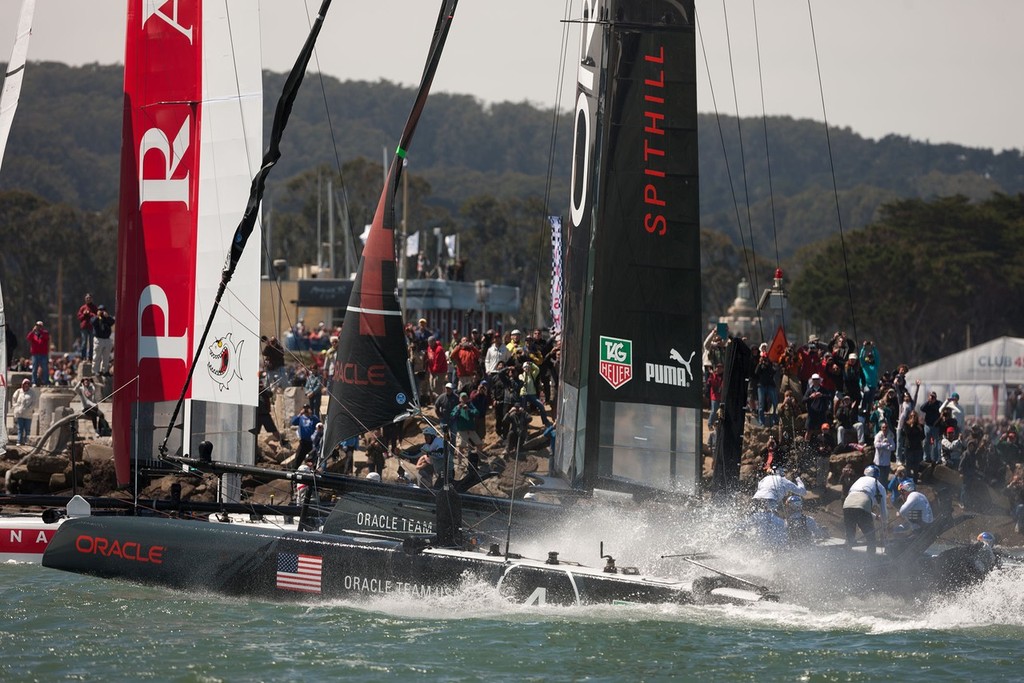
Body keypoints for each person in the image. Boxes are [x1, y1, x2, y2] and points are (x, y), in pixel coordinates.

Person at [842, 465, 888, 554]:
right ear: (878, 475)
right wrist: (885, 524)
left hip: (847, 505)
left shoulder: (858, 481)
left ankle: (846, 559)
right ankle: (871, 560)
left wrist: (874, 516)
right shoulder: (879, 485)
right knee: (871, 539)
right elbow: (883, 511)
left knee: (850, 537)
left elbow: (856, 506)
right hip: (862, 505)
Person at [290, 404, 320, 470]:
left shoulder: (313, 418)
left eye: (307, 408)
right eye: (305, 408)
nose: (306, 410)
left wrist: (311, 414)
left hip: (311, 443)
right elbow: (293, 422)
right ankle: (293, 472)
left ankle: (313, 473)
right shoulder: (301, 418)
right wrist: (300, 414)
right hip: (303, 442)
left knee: (312, 460)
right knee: (298, 459)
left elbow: (319, 423)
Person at [91, 305, 115, 376]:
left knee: (106, 356)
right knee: (97, 356)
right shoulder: (95, 318)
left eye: (103, 310)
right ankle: (95, 370)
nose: (102, 311)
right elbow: (93, 322)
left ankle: (104, 371)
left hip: (107, 339)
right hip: (98, 339)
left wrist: (107, 316)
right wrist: (98, 316)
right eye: (100, 310)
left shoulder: (107, 318)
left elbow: (112, 322)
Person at [11, 379, 36, 445]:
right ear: (23, 385)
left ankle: (27, 441)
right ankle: (19, 441)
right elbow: (14, 399)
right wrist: (16, 406)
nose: (26, 385)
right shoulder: (18, 391)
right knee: (20, 428)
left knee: (27, 429)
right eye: (25, 384)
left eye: (28, 384)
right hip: (19, 413)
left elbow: (34, 403)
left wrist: (29, 409)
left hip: (28, 414)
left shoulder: (32, 393)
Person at [27, 321, 50, 386]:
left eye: (40, 326)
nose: (38, 327)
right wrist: (33, 331)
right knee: (34, 368)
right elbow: (28, 338)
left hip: (43, 354)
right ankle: (34, 382)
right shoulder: (33, 333)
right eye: (37, 325)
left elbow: (47, 337)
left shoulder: (45, 332)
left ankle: (46, 382)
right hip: (35, 354)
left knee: (45, 368)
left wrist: (40, 332)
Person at [76, 293, 98, 362]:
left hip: (91, 327)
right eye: (87, 298)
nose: (88, 299)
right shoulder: (82, 308)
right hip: (84, 327)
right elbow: (79, 317)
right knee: (84, 342)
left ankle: (90, 357)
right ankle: (83, 357)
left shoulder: (94, 307)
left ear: (92, 299)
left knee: (91, 343)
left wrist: (90, 314)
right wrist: (84, 314)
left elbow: (97, 316)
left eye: (89, 298)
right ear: (85, 299)